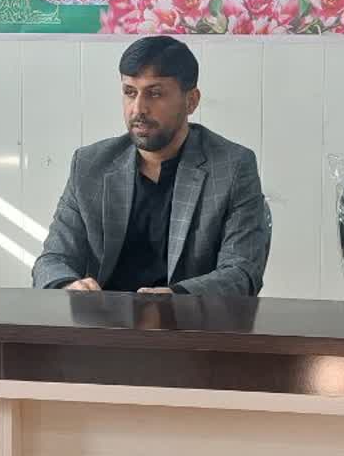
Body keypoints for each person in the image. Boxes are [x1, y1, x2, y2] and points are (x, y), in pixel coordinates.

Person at [32, 36, 269, 296]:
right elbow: (52, 260)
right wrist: (68, 284)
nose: (138, 109)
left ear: (191, 101)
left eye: (155, 94)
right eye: (129, 92)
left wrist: (177, 298)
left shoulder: (232, 167)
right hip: (103, 316)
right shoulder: (90, 165)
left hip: (188, 317)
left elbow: (241, 272)